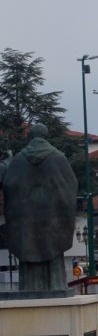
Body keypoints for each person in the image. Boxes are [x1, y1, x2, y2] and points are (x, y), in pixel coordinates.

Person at [1, 123, 78, 292]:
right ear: (46, 135)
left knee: (29, 253)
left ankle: (29, 289)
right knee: (53, 251)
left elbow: (8, 184)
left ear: (31, 136)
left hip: (26, 222)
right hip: (52, 221)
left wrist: (7, 165)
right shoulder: (58, 157)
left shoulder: (19, 159)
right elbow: (70, 185)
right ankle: (55, 286)